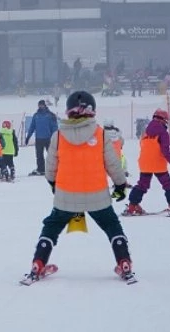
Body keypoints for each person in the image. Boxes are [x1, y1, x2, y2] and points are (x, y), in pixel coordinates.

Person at [22, 91, 135, 284]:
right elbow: (113, 164)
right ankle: (124, 261)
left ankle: (38, 262)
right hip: (97, 195)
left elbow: (50, 167)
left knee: (52, 227)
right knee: (111, 226)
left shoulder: (58, 135)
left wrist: (53, 184)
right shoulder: (100, 134)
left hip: (66, 195)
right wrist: (119, 185)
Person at [124, 109, 170, 216]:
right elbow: (165, 151)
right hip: (158, 164)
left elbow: (143, 147)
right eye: (166, 120)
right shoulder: (163, 133)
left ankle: (132, 206)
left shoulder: (145, 132)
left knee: (142, 185)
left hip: (144, 164)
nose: (166, 123)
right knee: (168, 184)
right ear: (162, 120)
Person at [25, 100, 59, 176]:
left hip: (48, 139)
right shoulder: (36, 115)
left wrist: (55, 137)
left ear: (45, 105)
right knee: (39, 155)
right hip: (39, 139)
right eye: (39, 105)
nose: (40, 106)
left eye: (42, 105)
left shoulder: (50, 115)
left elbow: (54, 127)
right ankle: (41, 169)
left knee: (51, 155)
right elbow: (32, 127)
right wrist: (28, 137)